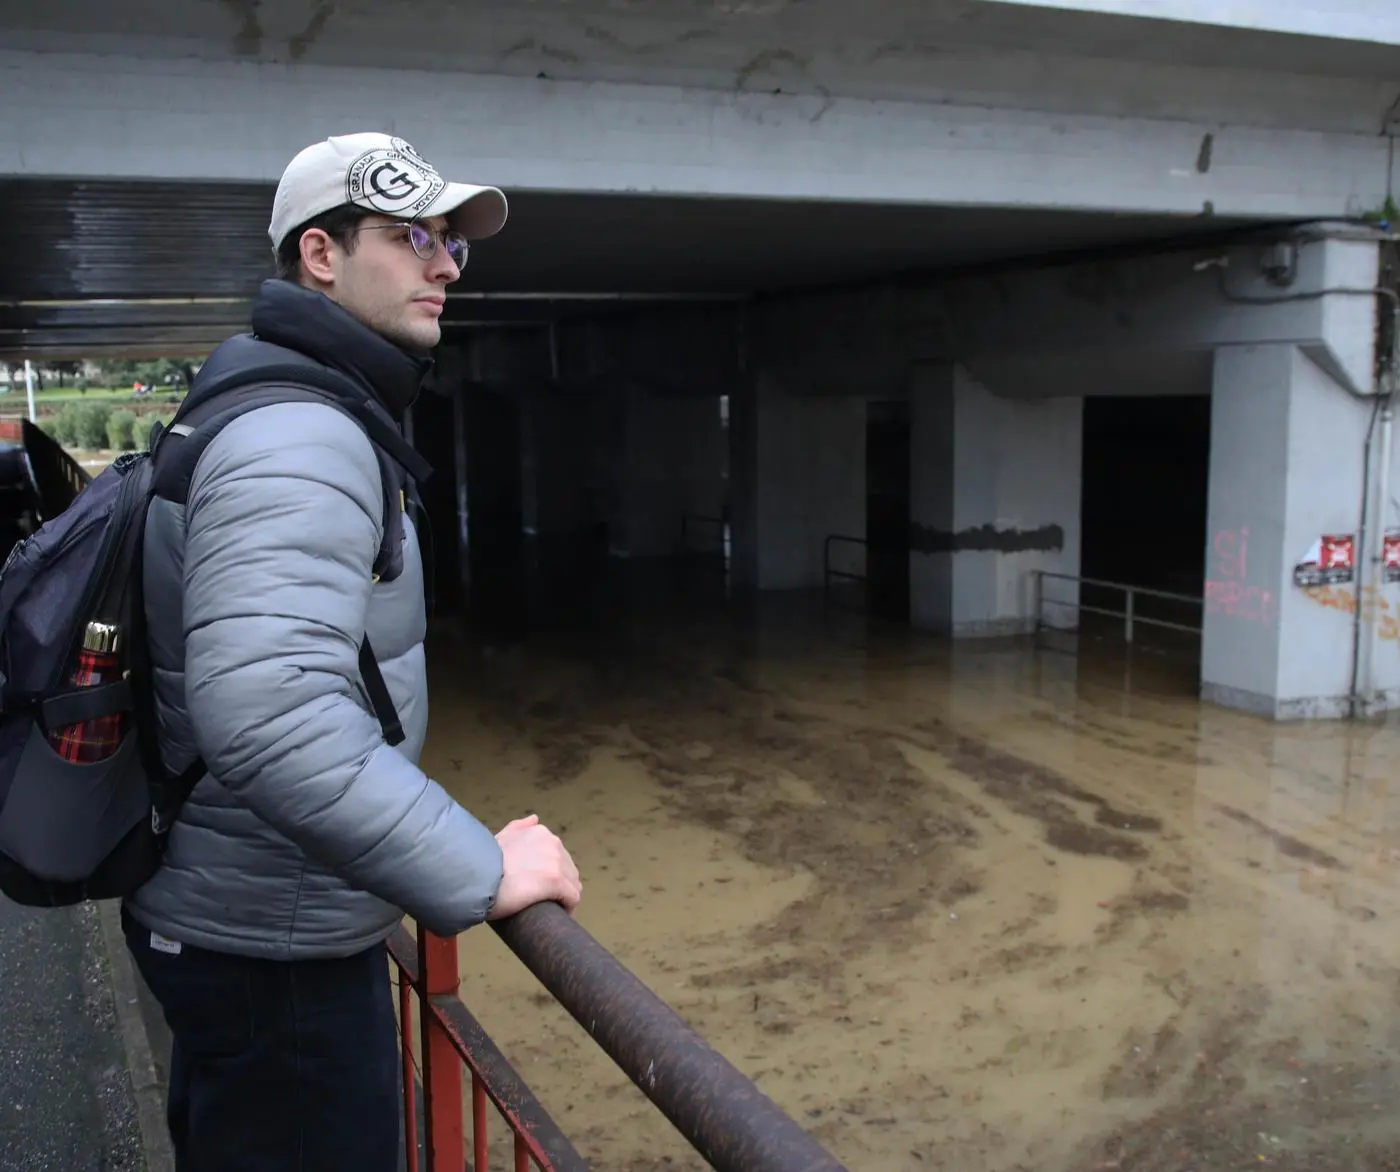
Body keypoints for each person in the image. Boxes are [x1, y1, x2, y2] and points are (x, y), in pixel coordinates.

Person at [121, 132, 582, 1172]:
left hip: (235, 920)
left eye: (453, 243)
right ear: (320, 256)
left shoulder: (277, 406)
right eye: (413, 235)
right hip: (271, 951)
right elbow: (272, 717)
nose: (446, 264)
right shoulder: (303, 438)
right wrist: (474, 864)